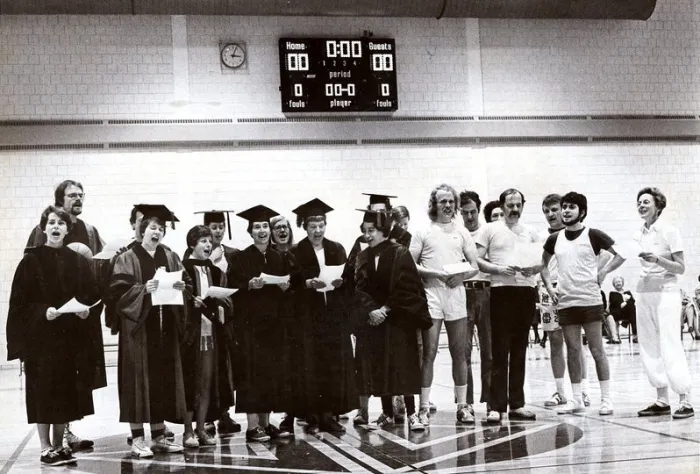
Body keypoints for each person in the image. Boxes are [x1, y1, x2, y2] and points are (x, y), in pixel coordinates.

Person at [7, 205, 101, 466]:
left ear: (68, 229)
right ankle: (45, 447)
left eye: (61, 223)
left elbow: (91, 296)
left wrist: (86, 312)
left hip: (69, 338)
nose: (56, 227)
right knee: (43, 393)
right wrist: (42, 312)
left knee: (66, 393)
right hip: (41, 341)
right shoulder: (31, 261)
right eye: (51, 223)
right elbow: (20, 303)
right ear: (43, 228)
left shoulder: (78, 262)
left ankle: (59, 445)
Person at [25, 180, 106, 451]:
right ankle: (52, 443)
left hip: (71, 325)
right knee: (47, 385)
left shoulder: (89, 230)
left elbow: (99, 269)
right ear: (60, 200)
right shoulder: (39, 242)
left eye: (81, 195)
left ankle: (66, 434)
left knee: (69, 383)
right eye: (72, 196)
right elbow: (31, 284)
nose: (78, 199)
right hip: (46, 326)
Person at [109, 204, 190, 457]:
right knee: (137, 383)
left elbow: (186, 284)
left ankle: (158, 437)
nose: (157, 232)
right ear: (142, 229)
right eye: (153, 227)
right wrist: (144, 289)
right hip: (139, 332)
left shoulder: (170, 255)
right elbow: (118, 293)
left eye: (161, 228)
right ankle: (137, 439)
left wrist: (180, 286)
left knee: (161, 381)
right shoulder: (127, 257)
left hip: (165, 330)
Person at [540, 192, 624, 416]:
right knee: (573, 350)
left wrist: (603, 271)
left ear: (582, 212)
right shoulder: (553, 239)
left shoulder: (593, 234)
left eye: (571, 207)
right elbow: (543, 265)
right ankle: (576, 398)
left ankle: (606, 399)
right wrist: (549, 286)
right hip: (566, 302)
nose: (566, 210)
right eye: (564, 207)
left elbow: (620, 254)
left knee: (597, 350)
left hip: (590, 301)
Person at [353, 210, 431, 432]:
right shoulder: (363, 256)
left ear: (384, 231)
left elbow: (407, 286)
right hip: (374, 320)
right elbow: (359, 288)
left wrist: (385, 309)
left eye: (373, 231)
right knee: (380, 365)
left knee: (403, 365)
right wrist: (372, 311)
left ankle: (412, 413)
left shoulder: (400, 253)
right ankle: (386, 412)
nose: (368, 236)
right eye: (365, 231)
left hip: (398, 317)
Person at [409, 184, 479, 427]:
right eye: (443, 202)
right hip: (432, 296)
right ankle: (424, 408)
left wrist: (462, 276)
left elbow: (474, 265)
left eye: (451, 201)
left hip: (456, 295)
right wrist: (435, 274)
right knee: (428, 353)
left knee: (460, 353)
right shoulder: (423, 232)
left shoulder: (462, 233)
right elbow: (411, 264)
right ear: (434, 205)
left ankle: (463, 406)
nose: (447, 205)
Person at [228, 205, 297, 442]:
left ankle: (267, 424)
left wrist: (286, 288)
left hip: (274, 327)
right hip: (250, 327)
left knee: (271, 374)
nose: (262, 231)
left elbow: (289, 291)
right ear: (250, 231)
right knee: (252, 376)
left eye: (265, 226)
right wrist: (248, 286)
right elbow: (232, 290)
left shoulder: (279, 257)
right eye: (257, 227)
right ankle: (252, 426)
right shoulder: (241, 258)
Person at [344, 193, 413, 425]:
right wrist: (370, 309)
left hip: (394, 310)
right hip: (370, 311)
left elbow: (403, 278)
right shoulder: (362, 241)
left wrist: (386, 308)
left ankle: (403, 407)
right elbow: (353, 276)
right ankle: (376, 409)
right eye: (373, 211)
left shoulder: (402, 239)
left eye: (382, 212)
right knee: (371, 360)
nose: (377, 215)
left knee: (398, 360)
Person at [291, 198, 358, 434]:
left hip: (332, 317)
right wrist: (307, 283)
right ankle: (313, 416)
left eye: (321, 225)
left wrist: (342, 282)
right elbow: (291, 284)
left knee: (332, 366)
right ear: (305, 227)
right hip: (308, 317)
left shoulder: (336, 248)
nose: (317, 230)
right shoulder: (296, 252)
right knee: (311, 367)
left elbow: (349, 277)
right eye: (312, 226)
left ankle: (329, 414)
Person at [474, 188, 541, 423]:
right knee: (499, 350)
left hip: (525, 292)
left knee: (520, 349)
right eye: (510, 205)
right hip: (501, 291)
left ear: (523, 206)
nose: (514, 209)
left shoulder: (531, 231)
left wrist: (535, 268)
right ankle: (495, 406)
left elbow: (541, 262)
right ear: (502, 207)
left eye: (518, 205)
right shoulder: (490, 229)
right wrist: (498, 269)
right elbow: (478, 260)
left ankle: (517, 404)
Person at [633, 187, 694, 419]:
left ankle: (684, 399)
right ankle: (661, 399)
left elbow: (680, 267)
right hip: (644, 292)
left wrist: (657, 259)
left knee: (670, 344)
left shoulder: (670, 231)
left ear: (658, 205)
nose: (641, 205)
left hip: (666, 292)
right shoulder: (638, 234)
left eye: (646, 202)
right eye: (639, 202)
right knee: (649, 345)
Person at [181, 225, 236, 448]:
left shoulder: (215, 271)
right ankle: (187, 432)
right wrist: (190, 302)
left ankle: (201, 427)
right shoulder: (183, 267)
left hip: (212, 333)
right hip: (192, 335)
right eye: (202, 241)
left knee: (206, 382)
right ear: (192, 244)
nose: (207, 245)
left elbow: (226, 300)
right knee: (190, 382)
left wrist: (222, 303)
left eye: (209, 241)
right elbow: (179, 297)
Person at [539, 194, 591, 409]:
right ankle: (561, 391)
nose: (551, 214)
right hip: (548, 291)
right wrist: (545, 287)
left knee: (575, 344)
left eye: (554, 209)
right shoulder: (542, 236)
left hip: (572, 291)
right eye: (547, 211)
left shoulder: (579, 234)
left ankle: (583, 392)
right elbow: (539, 264)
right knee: (554, 342)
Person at [458, 190, 494, 422]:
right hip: (462, 293)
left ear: (479, 210)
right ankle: (466, 403)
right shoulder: (456, 233)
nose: (470, 216)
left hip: (486, 292)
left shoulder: (488, 232)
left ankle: (492, 403)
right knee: (464, 352)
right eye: (465, 212)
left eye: (473, 211)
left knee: (489, 351)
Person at [607, 276, 637, 343]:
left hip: (627, 312)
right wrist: (622, 303)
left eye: (619, 282)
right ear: (614, 284)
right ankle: (627, 331)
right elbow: (614, 303)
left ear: (622, 283)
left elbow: (632, 301)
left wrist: (625, 303)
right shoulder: (612, 293)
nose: (618, 283)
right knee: (632, 310)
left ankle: (635, 335)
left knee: (633, 309)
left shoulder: (627, 292)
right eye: (616, 282)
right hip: (617, 312)